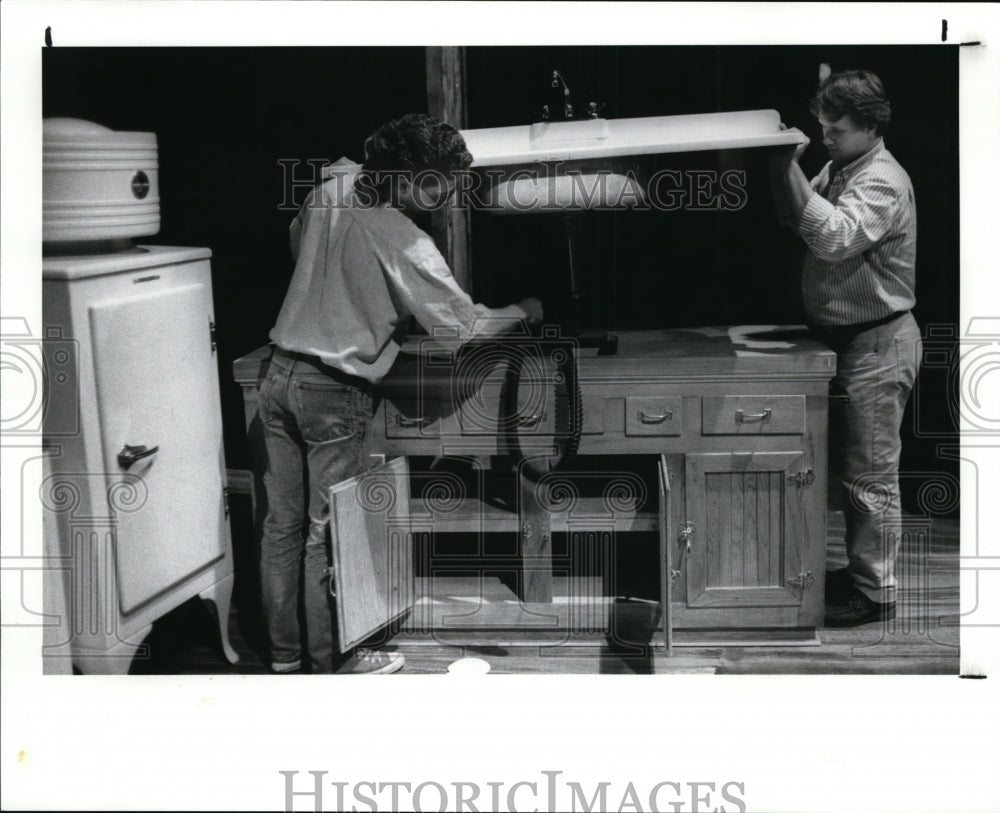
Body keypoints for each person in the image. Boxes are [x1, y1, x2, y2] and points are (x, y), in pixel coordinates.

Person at [258, 113, 544, 673]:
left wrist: (354, 295)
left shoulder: (332, 186)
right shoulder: (404, 238)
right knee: (329, 533)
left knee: (280, 527)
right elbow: (461, 329)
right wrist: (524, 311)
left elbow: (299, 243)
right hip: (331, 392)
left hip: (278, 373)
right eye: (441, 183)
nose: (452, 194)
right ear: (408, 178)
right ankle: (334, 665)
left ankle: (285, 662)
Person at [769, 69, 922, 627]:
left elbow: (832, 239)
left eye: (835, 127)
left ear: (869, 125)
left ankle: (876, 593)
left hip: (877, 342)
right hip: (848, 342)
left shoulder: (880, 179)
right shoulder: (844, 165)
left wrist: (787, 165)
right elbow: (799, 218)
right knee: (852, 475)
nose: (825, 135)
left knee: (870, 477)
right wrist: (783, 167)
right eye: (822, 126)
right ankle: (861, 573)